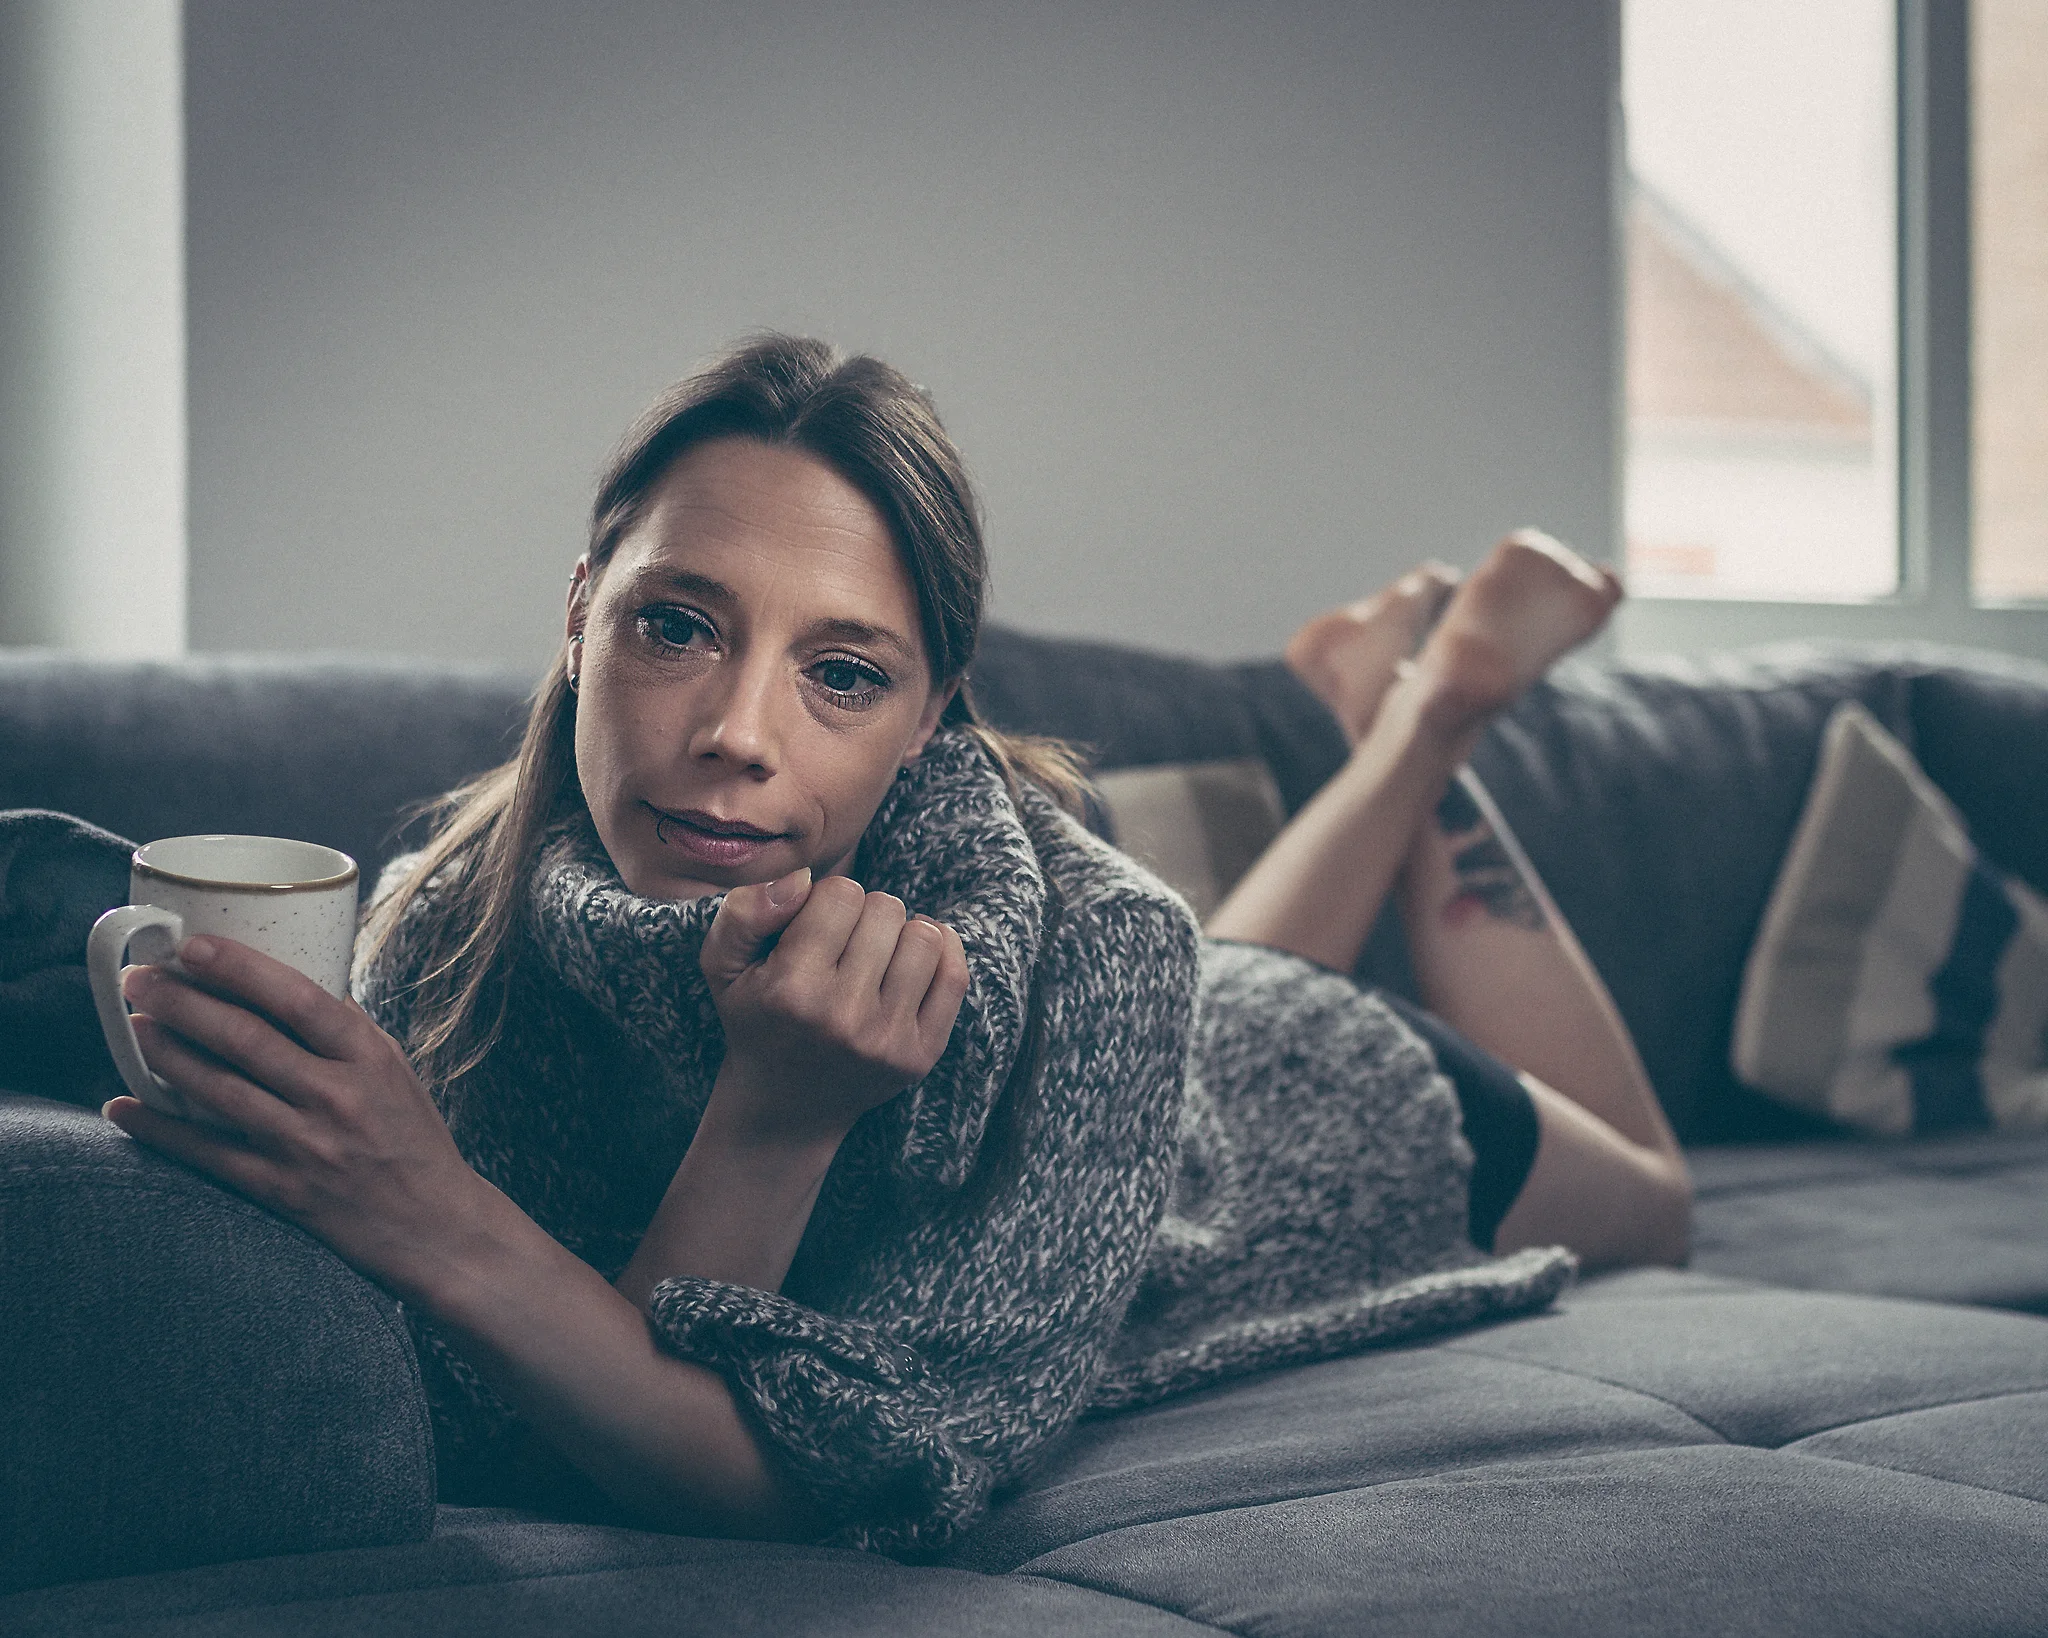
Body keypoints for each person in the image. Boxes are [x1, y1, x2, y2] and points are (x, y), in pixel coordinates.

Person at [100, 335, 1688, 1556]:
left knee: (1662, 1203)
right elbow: (599, 1403)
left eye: (841, 672)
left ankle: (1432, 716)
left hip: (1304, 1110)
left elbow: (759, 1485)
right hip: (1168, 1016)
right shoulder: (441, 910)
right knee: (1191, 963)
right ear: (581, 608)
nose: (736, 734)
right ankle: (1378, 719)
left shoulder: (1104, 958)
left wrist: (699, 1130)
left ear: (935, 712)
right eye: (678, 623)